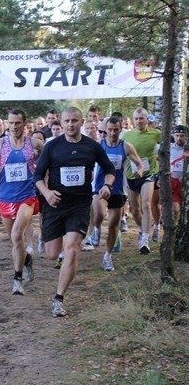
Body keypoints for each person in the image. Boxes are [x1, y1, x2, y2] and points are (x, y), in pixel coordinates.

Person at [33, 106, 116, 317]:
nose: (71, 125)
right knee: (52, 254)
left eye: (74, 121)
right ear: (61, 124)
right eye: (67, 121)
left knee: (72, 248)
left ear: (81, 122)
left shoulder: (92, 146)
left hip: (79, 204)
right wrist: (47, 192)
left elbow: (109, 169)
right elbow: (38, 176)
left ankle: (59, 299)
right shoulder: (52, 147)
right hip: (55, 203)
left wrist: (107, 185)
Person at [0, 109, 43, 296]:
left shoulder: (34, 143)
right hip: (6, 198)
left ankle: (17, 279)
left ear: (25, 124)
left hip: (27, 197)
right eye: (11, 123)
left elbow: (49, 161)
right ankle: (27, 259)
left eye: (18, 123)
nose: (14, 127)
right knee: (15, 242)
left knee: (16, 235)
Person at [89, 116, 144, 271]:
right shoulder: (99, 145)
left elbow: (138, 163)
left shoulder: (125, 146)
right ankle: (96, 229)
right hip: (99, 186)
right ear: (105, 130)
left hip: (118, 189)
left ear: (121, 130)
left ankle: (107, 256)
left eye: (116, 130)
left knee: (114, 225)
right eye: (110, 130)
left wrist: (139, 171)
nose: (113, 133)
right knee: (99, 213)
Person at [122, 107, 161, 254]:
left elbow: (166, 147)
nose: (139, 121)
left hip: (149, 173)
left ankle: (145, 239)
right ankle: (141, 230)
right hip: (131, 175)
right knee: (134, 209)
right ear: (133, 120)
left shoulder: (156, 134)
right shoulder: (126, 136)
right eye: (136, 119)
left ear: (147, 120)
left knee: (146, 204)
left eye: (141, 118)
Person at [170, 125, 187, 225]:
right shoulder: (168, 148)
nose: (179, 138)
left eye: (182, 136)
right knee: (175, 208)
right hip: (173, 182)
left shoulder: (187, 148)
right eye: (177, 135)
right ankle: (176, 228)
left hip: (185, 183)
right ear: (173, 135)